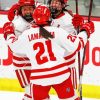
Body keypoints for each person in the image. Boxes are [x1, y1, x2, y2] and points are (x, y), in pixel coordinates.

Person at [4, 6, 94, 100]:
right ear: (49, 17)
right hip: (60, 75)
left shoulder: (27, 35)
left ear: (34, 18)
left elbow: (13, 47)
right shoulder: (57, 31)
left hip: (39, 79)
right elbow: (77, 44)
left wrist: (9, 33)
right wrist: (85, 31)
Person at [48, 0, 84, 99]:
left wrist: (80, 27)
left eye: (57, 2)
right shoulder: (45, 15)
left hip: (66, 64)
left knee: (69, 96)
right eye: (52, 2)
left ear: (63, 5)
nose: (53, 5)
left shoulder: (68, 20)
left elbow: (72, 43)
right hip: (48, 65)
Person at [3, 0, 35, 99]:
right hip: (23, 64)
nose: (28, 11)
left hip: (36, 63)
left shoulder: (39, 19)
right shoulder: (16, 24)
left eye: (30, 9)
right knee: (32, 93)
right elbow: (14, 48)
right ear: (20, 11)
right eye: (25, 9)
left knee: (37, 93)